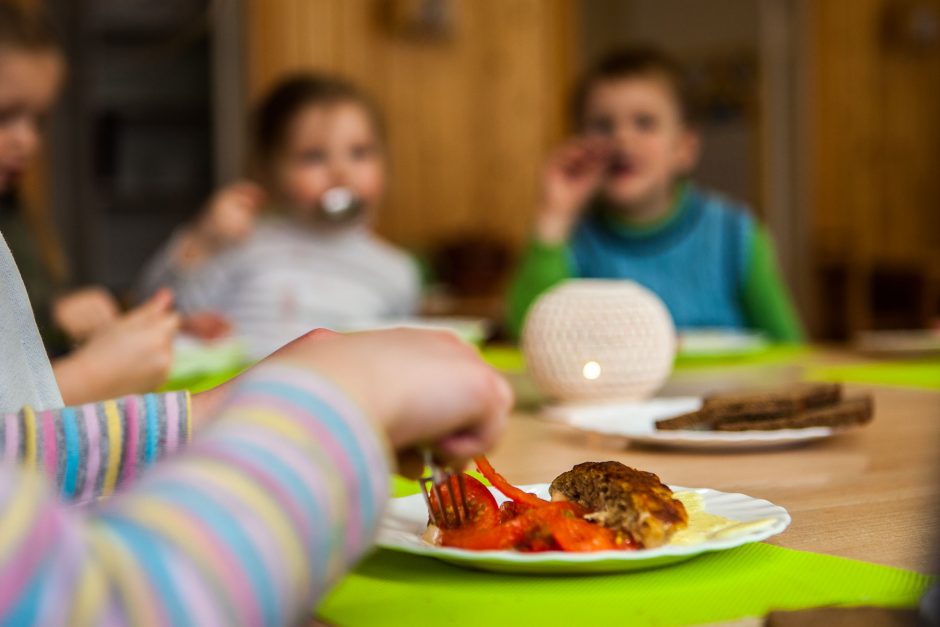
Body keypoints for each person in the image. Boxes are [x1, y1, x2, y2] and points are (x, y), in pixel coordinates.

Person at [507, 47, 804, 343]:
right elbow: (528, 336)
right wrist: (554, 215)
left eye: (644, 122)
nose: (622, 138)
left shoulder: (735, 236)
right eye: (602, 125)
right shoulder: (571, 239)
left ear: (684, 148)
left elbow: (789, 347)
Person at [140, 74, 421, 358]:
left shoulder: (397, 273)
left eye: (359, 153)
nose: (341, 171)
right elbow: (159, 312)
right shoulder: (244, 244)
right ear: (269, 170)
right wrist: (202, 241)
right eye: (314, 156)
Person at [0, 2, 178, 404]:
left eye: (38, 121)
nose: (27, 140)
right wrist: (90, 370)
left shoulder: (13, 213)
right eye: (5, 115)